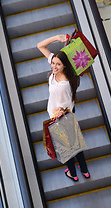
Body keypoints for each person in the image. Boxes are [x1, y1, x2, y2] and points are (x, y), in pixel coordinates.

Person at [37, 34, 90, 182]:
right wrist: (57, 37)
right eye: (53, 63)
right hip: (66, 113)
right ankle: (84, 170)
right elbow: (40, 46)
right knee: (75, 142)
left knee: (66, 147)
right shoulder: (59, 71)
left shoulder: (64, 84)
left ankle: (72, 174)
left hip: (61, 116)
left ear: (64, 66)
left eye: (58, 64)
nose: (54, 66)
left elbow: (66, 103)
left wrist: (58, 112)